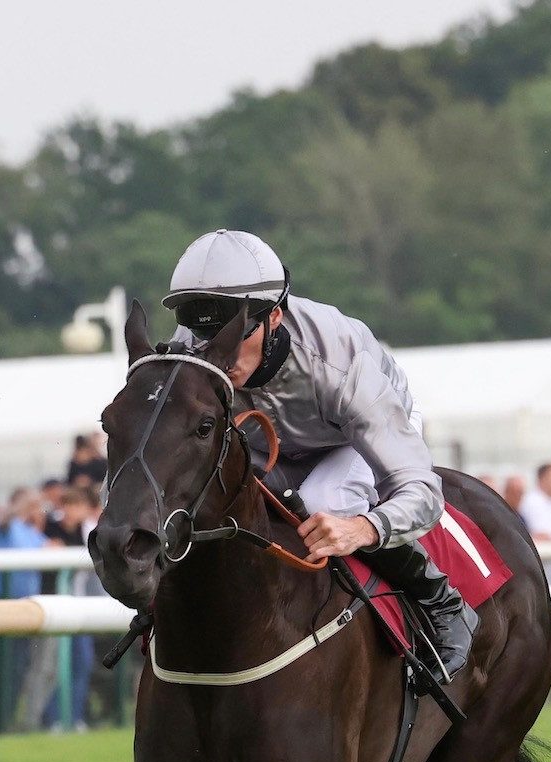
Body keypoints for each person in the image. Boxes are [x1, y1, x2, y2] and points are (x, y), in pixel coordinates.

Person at [162, 228, 474, 681]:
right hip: (269, 442)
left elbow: (422, 492)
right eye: (203, 332)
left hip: (354, 437)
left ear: (274, 317)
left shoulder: (340, 364)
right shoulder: (191, 350)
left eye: (234, 333)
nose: (217, 351)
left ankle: (441, 601)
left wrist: (364, 527)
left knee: (326, 503)